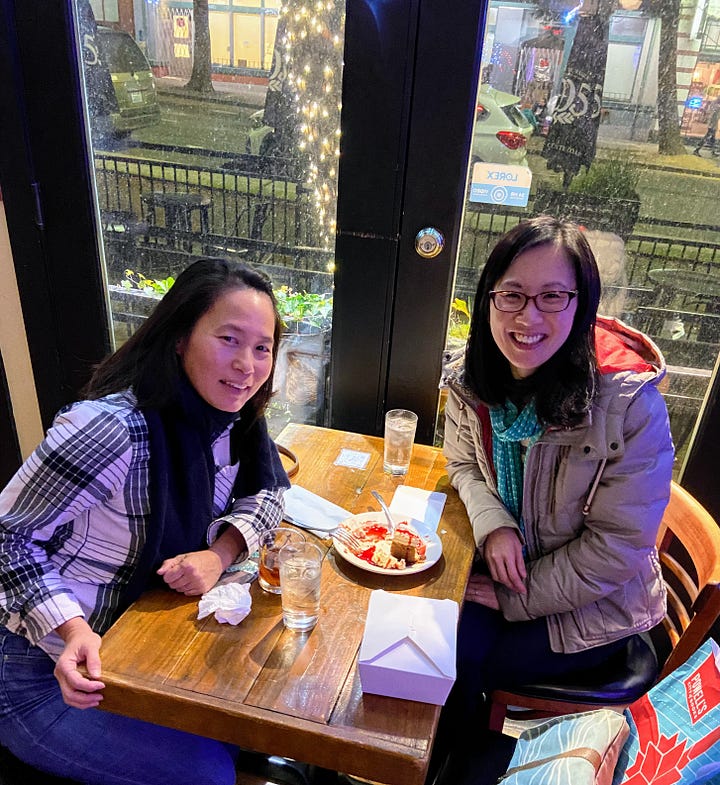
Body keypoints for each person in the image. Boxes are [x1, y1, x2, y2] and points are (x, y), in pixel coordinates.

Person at [0, 258, 291, 785]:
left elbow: (271, 494)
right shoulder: (111, 430)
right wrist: (69, 629)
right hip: (36, 670)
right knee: (208, 774)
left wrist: (219, 552)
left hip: (132, 649)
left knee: (251, 726)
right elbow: (7, 536)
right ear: (180, 338)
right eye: (229, 339)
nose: (247, 365)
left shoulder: (235, 419)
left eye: (262, 347)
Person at [438, 216, 673, 772]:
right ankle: (429, 756)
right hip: (515, 572)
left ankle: (455, 766)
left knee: (451, 654)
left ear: (582, 304)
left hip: (599, 611)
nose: (528, 317)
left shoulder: (627, 406)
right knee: (423, 622)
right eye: (513, 295)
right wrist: (494, 522)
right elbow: (463, 462)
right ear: (489, 298)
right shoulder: (474, 379)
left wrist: (517, 596)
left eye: (552, 297)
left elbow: (617, 548)